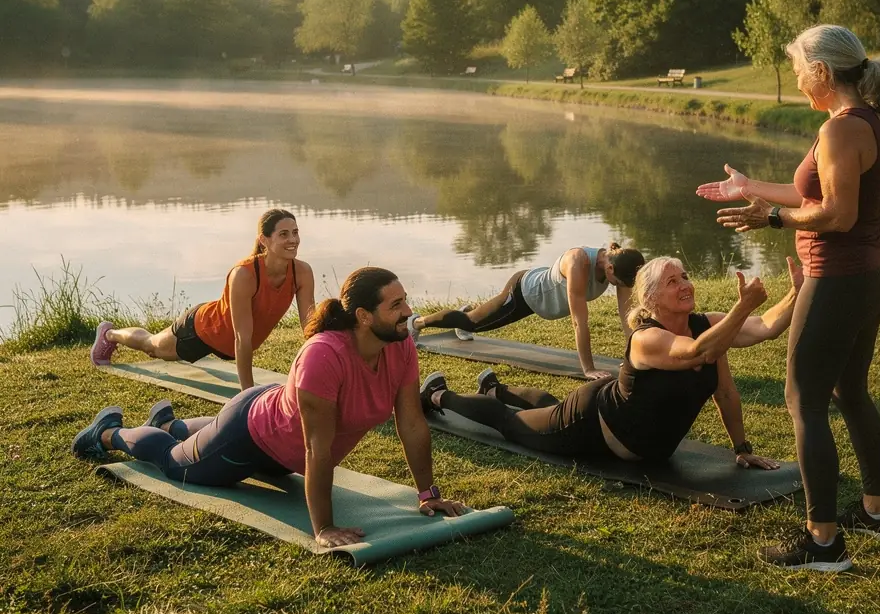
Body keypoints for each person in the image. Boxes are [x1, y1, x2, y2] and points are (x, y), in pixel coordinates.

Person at [699, 24, 880, 573]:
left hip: (839, 278)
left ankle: (823, 542)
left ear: (821, 72)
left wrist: (770, 218)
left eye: (796, 69)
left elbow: (836, 213)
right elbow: (813, 193)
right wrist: (753, 188)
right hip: (871, 275)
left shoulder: (841, 131)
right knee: (850, 391)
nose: (794, 79)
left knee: (803, 399)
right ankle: (879, 515)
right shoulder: (869, 122)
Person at [72, 267, 467, 549]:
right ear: (364, 316)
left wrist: (427, 493)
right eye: (396, 305)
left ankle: (172, 423)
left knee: (194, 442)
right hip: (250, 435)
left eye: (406, 301)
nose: (408, 313)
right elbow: (317, 448)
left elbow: (413, 424)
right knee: (176, 465)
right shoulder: (324, 356)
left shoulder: (401, 349)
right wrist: (324, 526)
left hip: (284, 444)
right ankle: (108, 432)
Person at [420, 255, 802, 473]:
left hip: (625, 426)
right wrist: (743, 305)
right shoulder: (647, 338)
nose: (685, 284)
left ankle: (496, 388)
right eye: (672, 281)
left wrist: (798, 290)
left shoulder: (710, 325)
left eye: (685, 276)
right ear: (651, 298)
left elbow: (762, 332)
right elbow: (696, 353)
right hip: (591, 424)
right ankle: (439, 396)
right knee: (510, 423)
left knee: (546, 408)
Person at [90, 208, 315, 390]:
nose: (292, 239)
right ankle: (110, 334)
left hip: (229, 345)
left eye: (295, 232)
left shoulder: (302, 272)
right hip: (203, 330)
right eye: (283, 234)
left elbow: (310, 327)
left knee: (157, 347)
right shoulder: (245, 275)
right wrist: (247, 391)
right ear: (264, 240)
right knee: (152, 347)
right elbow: (241, 337)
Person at [409, 243, 645, 379]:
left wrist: (633, 358)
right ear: (611, 268)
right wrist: (589, 369)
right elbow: (579, 321)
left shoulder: (619, 267)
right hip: (525, 293)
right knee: (470, 322)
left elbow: (627, 318)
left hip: (540, 287)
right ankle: (416, 323)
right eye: (619, 284)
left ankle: (469, 313)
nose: (619, 288)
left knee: (473, 319)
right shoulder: (579, 263)